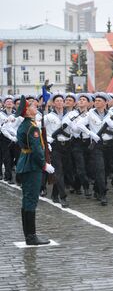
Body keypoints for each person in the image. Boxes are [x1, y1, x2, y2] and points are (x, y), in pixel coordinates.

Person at [15, 95, 55, 245]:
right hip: (32, 165)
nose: (36, 108)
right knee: (31, 199)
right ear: (27, 111)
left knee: (27, 199)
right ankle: (31, 237)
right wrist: (44, 164)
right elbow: (37, 149)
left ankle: (29, 235)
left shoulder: (27, 125)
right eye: (33, 106)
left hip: (26, 163)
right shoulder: (32, 127)